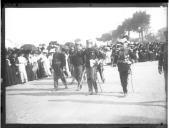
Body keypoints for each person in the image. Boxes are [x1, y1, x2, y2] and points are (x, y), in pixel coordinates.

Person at [158, 30, 168, 99]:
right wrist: (159, 66)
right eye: (166, 35)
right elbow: (160, 57)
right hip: (166, 66)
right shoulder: (163, 45)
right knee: (167, 83)